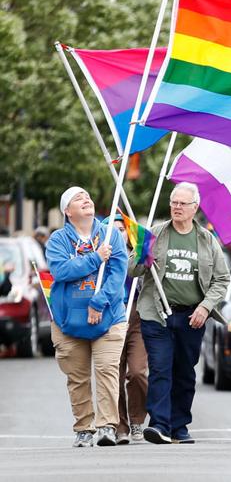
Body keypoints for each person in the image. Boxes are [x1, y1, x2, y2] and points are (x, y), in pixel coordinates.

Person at [130, 182, 229, 445]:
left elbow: (221, 280)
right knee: (161, 368)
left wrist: (205, 307)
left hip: (191, 317)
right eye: (174, 202)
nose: (177, 207)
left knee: (185, 371)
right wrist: (142, 256)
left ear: (195, 207)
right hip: (157, 313)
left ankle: (179, 425)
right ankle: (160, 424)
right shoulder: (154, 234)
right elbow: (132, 270)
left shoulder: (207, 240)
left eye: (183, 203)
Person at [45, 186, 129, 447]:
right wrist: (95, 258)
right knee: (78, 377)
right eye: (77, 198)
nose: (86, 200)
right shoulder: (58, 240)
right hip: (67, 322)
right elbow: (61, 271)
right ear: (67, 212)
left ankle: (107, 427)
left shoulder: (110, 236)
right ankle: (84, 428)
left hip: (108, 318)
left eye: (87, 196)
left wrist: (98, 302)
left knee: (106, 370)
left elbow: (118, 273)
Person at [111, 215, 147, 445]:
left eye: (122, 228)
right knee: (113, 373)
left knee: (136, 372)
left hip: (137, 315)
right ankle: (120, 426)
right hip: (112, 316)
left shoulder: (138, 254)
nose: (118, 233)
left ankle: (137, 420)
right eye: (113, 229)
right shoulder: (103, 256)